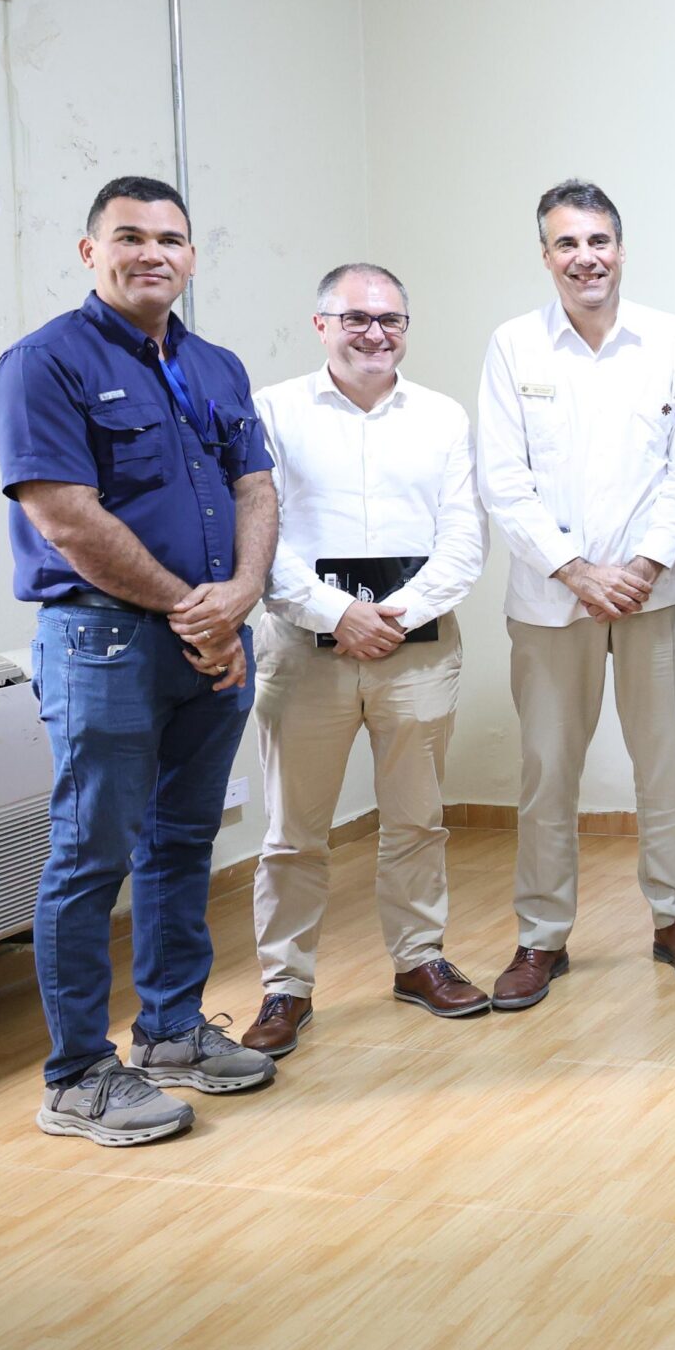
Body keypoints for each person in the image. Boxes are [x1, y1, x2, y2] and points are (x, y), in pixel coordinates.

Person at [0, 175, 280, 1146]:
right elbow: (67, 517)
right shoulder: (43, 364)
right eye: (130, 236)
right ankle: (76, 1075)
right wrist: (194, 608)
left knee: (183, 838)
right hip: (102, 639)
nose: (153, 252)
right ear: (89, 251)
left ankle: (170, 1033)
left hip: (208, 639)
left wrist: (235, 599)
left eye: (171, 238)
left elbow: (257, 488)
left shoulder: (218, 365)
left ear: (191, 255)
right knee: (90, 853)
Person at [476, 179, 675, 1010]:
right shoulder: (515, 346)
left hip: (657, 595)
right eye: (566, 244)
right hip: (552, 601)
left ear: (621, 248)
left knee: (667, 769)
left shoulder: (672, 339)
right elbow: (502, 482)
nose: (585, 258)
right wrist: (578, 572)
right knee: (549, 771)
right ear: (545, 256)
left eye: (598, 241)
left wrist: (641, 568)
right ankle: (541, 936)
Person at [241, 263, 490, 1057]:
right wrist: (335, 613)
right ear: (322, 325)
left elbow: (463, 541)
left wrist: (394, 616)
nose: (375, 333)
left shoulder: (443, 417)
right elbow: (261, 535)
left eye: (390, 320)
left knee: (416, 821)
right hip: (303, 651)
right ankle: (286, 987)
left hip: (416, 649)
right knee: (293, 831)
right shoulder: (273, 411)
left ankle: (419, 961)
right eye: (356, 318)